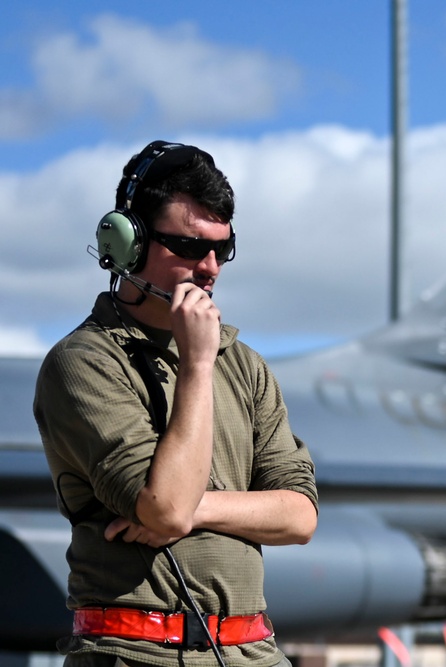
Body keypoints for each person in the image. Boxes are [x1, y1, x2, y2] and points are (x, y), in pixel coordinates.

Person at [34, 140, 319, 667]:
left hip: (253, 652)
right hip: (134, 652)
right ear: (128, 243)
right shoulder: (85, 362)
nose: (209, 268)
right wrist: (196, 366)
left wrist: (199, 508)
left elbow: (299, 516)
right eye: (188, 247)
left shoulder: (246, 365)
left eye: (222, 248)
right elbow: (162, 507)